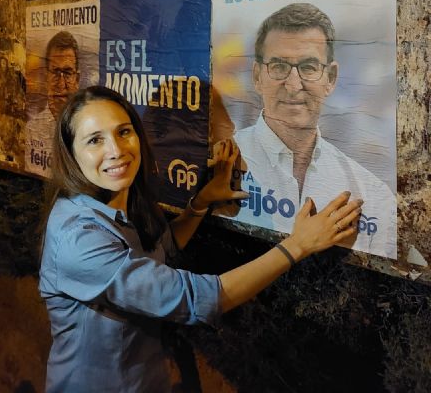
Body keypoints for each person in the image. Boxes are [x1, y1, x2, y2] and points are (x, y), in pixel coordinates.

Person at [40, 85, 362, 393]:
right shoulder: (78, 240)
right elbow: (195, 299)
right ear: (71, 154)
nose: (116, 150)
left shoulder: (115, 202)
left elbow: (160, 249)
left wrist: (201, 203)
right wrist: (298, 245)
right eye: (95, 140)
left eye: (124, 132)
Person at [233, 3, 396, 258]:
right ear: (257, 77)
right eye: (278, 66)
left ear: (330, 78)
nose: (294, 84)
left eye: (309, 67)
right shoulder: (221, 164)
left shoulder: (372, 195)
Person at [26, 31, 80, 175]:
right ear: (45, 78)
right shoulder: (32, 128)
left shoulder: (89, 127)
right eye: (55, 72)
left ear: (77, 80)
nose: (61, 84)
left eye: (68, 73)